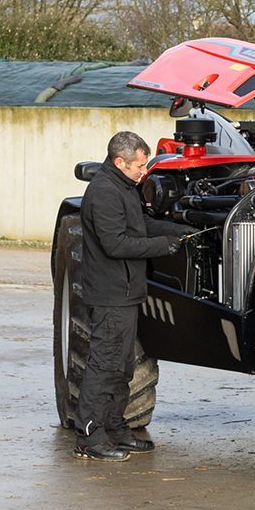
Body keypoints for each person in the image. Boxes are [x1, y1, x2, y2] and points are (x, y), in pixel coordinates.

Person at [72, 130, 193, 461]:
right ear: (119, 161)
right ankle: (89, 435)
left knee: (122, 366)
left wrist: (178, 232)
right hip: (111, 293)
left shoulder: (125, 187)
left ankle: (115, 428)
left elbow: (141, 226)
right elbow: (116, 244)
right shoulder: (104, 194)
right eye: (140, 165)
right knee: (105, 365)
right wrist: (162, 248)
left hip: (125, 292)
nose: (144, 172)